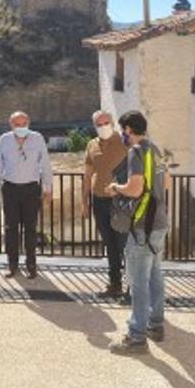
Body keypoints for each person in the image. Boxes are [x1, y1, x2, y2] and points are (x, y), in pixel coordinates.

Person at [107, 110, 169, 354]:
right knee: (155, 274)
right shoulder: (156, 149)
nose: (123, 135)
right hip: (160, 222)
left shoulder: (136, 151)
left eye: (123, 130)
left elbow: (134, 189)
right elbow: (167, 183)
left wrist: (115, 187)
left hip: (141, 225)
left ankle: (136, 337)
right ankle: (156, 325)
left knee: (138, 282)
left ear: (129, 130)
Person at [0, 111, 53, 279]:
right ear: (11, 125)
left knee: (30, 229)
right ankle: (12, 265)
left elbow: (45, 164)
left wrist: (48, 188)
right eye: (17, 124)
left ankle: (31, 265)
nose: (21, 127)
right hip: (10, 189)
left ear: (29, 123)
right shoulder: (4, 140)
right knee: (11, 229)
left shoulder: (37, 138)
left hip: (31, 190)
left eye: (23, 124)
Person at [82, 110, 129, 298]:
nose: (103, 127)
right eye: (99, 124)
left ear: (113, 122)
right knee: (109, 244)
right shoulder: (92, 145)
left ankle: (132, 286)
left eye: (106, 122)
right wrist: (84, 201)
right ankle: (114, 283)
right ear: (94, 126)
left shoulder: (126, 143)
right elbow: (87, 174)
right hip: (99, 200)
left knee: (123, 244)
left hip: (120, 201)